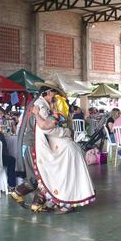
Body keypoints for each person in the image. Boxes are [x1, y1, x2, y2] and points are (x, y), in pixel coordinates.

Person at [30, 83, 95, 213]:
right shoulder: (44, 107)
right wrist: (65, 132)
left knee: (65, 175)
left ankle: (66, 201)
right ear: (49, 92)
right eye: (55, 93)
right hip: (63, 145)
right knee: (66, 175)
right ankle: (65, 201)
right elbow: (46, 127)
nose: (55, 97)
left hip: (63, 146)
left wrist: (64, 130)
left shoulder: (49, 109)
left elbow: (47, 125)